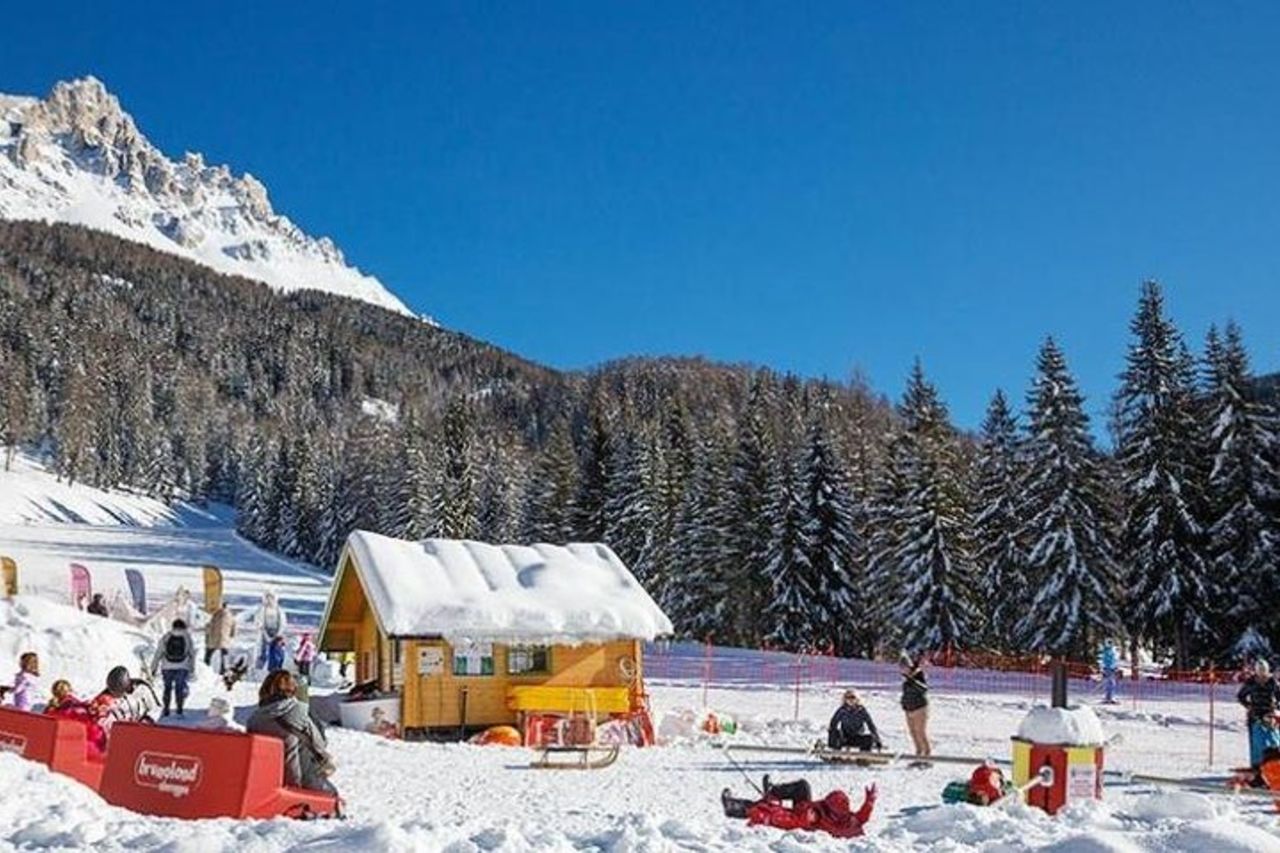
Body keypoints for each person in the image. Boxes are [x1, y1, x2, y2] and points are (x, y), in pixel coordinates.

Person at [247, 670, 337, 795]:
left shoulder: (254, 719)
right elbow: (320, 744)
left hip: (264, 783)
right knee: (334, 796)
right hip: (298, 782)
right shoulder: (297, 710)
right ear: (293, 689)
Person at [721, 776, 876, 839]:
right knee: (803, 787)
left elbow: (799, 821)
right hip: (805, 810)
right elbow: (862, 817)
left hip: (801, 818)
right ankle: (773, 790)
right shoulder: (849, 819)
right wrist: (869, 801)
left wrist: (776, 808)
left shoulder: (818, 819)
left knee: (767, 809)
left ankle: (733, 807)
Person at [88, 665, 154, 753]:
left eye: (116, 692)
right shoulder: (104, 700)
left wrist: (146, 721)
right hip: (116, 740)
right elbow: (97, 718)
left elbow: (153, 709)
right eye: (112, 691)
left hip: (138, 733)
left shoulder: (142, 690)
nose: (113, 694)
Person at [1238, 659, 1280, 769]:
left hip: (1269, 715)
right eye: (1260, 670)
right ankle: (1257, 765)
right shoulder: (1251, 682)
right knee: (1257, 742)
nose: (1262, 673)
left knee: (1274, 739)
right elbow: (1241, 696)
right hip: (1255, 715)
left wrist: (1277, 706)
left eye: (1264, 670)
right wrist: (1248, 705)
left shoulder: (1273, 682)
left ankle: (1276, 763)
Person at [150, 618, 196, 718]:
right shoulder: (187, 637)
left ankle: (166, 709)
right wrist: (192, 669)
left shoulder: (166, 636)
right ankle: (179, 710)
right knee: (179, 688)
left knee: (167, 688)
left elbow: (158, 653)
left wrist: (153, 667)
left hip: (167, 667)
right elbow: (192, 654)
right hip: (182, 667)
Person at [901, 652, 931, 758]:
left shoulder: (918, 674)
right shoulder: (905, 678)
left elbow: (924, 689)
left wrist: (913, 681)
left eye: (904, 666)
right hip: (909, 709)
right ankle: (918, 753)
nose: (902, 669)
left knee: (920, 732)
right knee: (913, 733)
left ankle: (927, 755)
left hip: (919, 707)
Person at [255, 592, 288, 670]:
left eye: (271, 598)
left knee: (275, 654)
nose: (269, 600)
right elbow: (258, 622)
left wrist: (277, 635)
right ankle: (259, 669)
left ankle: (274, 669)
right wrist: (265, 634)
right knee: (261, 653)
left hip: (276, 636)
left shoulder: (279, 611)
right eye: (267, 598)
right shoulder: (261, 610)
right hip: (263, 635)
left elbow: (283, 624)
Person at [205, 603, 236, 674]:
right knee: (224, 654)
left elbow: (210, 626)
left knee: (209, 653)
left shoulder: (216, 615)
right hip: (225, 639)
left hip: (214, 638)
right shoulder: (231, 616)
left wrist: (207, 635)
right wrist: (231, 636)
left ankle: (206, 666)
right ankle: (223, 669)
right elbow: (234, 629)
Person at [1098, 640, 1120, 705]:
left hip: (1110, 668)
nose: (1111, 644)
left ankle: (1109, 697)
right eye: (1110, 643)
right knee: (1110, 683)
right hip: (1109, 669)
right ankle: (1109, 698)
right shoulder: (1108, 651)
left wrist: (1115, 667)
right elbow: (1108, 661)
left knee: (1111, 683)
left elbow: (1114, 660)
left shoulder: (1110, 651)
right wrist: (1105, 668)